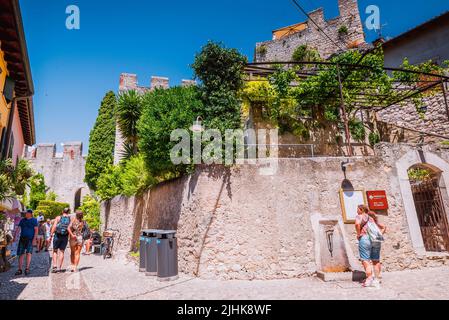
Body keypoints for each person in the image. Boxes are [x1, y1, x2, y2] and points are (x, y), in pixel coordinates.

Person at [355, 204, 386, 288]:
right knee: (376, 260)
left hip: (365, 238)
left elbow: (357, 224)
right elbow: (383, 227)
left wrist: (358, 234)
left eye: (357, 209)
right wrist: (379, 235)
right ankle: (377, 279)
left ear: (361, 210)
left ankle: (369, 279)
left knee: (365, 260)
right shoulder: (371, 218)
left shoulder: (359, 216)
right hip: (376, 240)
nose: (357, 211)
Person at [14, 209, 38, 276]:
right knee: (21, 254)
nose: (25, 214)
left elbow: (36, 230)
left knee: (28, 253)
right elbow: (18, 228)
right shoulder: (22, 220)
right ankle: (20, 269)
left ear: (30, 214)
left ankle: (27, 268)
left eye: (26, 213)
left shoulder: (34, 220)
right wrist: (14, 236)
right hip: (22, 239)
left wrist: (34, 239)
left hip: (30, 239)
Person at [50, 208, 71, 273]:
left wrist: (51, 234)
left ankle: (55, 266)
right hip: (65, 236)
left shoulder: (58, 217)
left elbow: (54, 226)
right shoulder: (70, 219)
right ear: (68, 212)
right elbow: (71, 228)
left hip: (57, 235)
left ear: (62, 211)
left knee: (55, 251)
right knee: (62, 252)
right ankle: (59, 268)